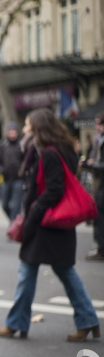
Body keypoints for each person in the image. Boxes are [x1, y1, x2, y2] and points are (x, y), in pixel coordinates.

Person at [0, 108, 100, 342]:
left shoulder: (49, 153)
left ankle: (17, 324)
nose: (23, 129)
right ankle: (88, 320)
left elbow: (53, 190)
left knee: (30, 271)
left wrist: (32, 215)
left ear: (37, 128)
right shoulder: (60, 149)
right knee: (61, 271)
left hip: (46, 223)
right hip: (56, 223)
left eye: (27, 125)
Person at [84, 111, 104, 261]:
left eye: (99, 124)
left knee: (99, 218)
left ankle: (101, 249)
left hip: (101, 185)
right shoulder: (99, 140)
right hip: (99, 184)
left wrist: (92, 166)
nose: (97, 127)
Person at [0, 121, 24, 223]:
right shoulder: (2, 145)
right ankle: (13, 221)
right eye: (10, 131)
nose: (12, 133)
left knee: (16, 205)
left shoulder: (22, 145)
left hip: (18, 179)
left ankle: (13, 225)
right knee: (4, 204)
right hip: (5, 179)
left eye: (14, 131)